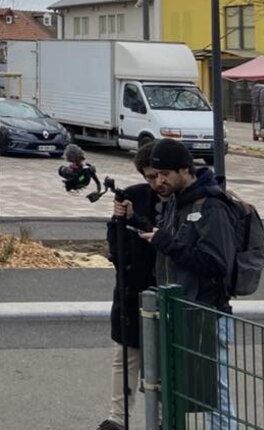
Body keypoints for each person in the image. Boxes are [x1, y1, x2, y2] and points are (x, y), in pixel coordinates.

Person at [139, 139, 237, 430]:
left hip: (207, 312)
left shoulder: (211, 207)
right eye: (154, 176)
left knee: (214, 392)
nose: (159, 182)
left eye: (165, 174)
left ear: (185, 170)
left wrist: (165, 243)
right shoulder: (175, 204)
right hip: (180, 312)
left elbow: (215, 263)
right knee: (179, 386)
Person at [95, 141, 161, 430]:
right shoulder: (134, 195)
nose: (156, 182)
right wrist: (118, 254)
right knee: (124, 355)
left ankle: (159, 419)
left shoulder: (180, 201)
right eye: (149, 177)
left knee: (159, 362)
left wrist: (138, 220)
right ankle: (117, 418)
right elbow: (114, 232)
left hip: (161, 290)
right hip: (130, 288)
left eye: (158, 175)